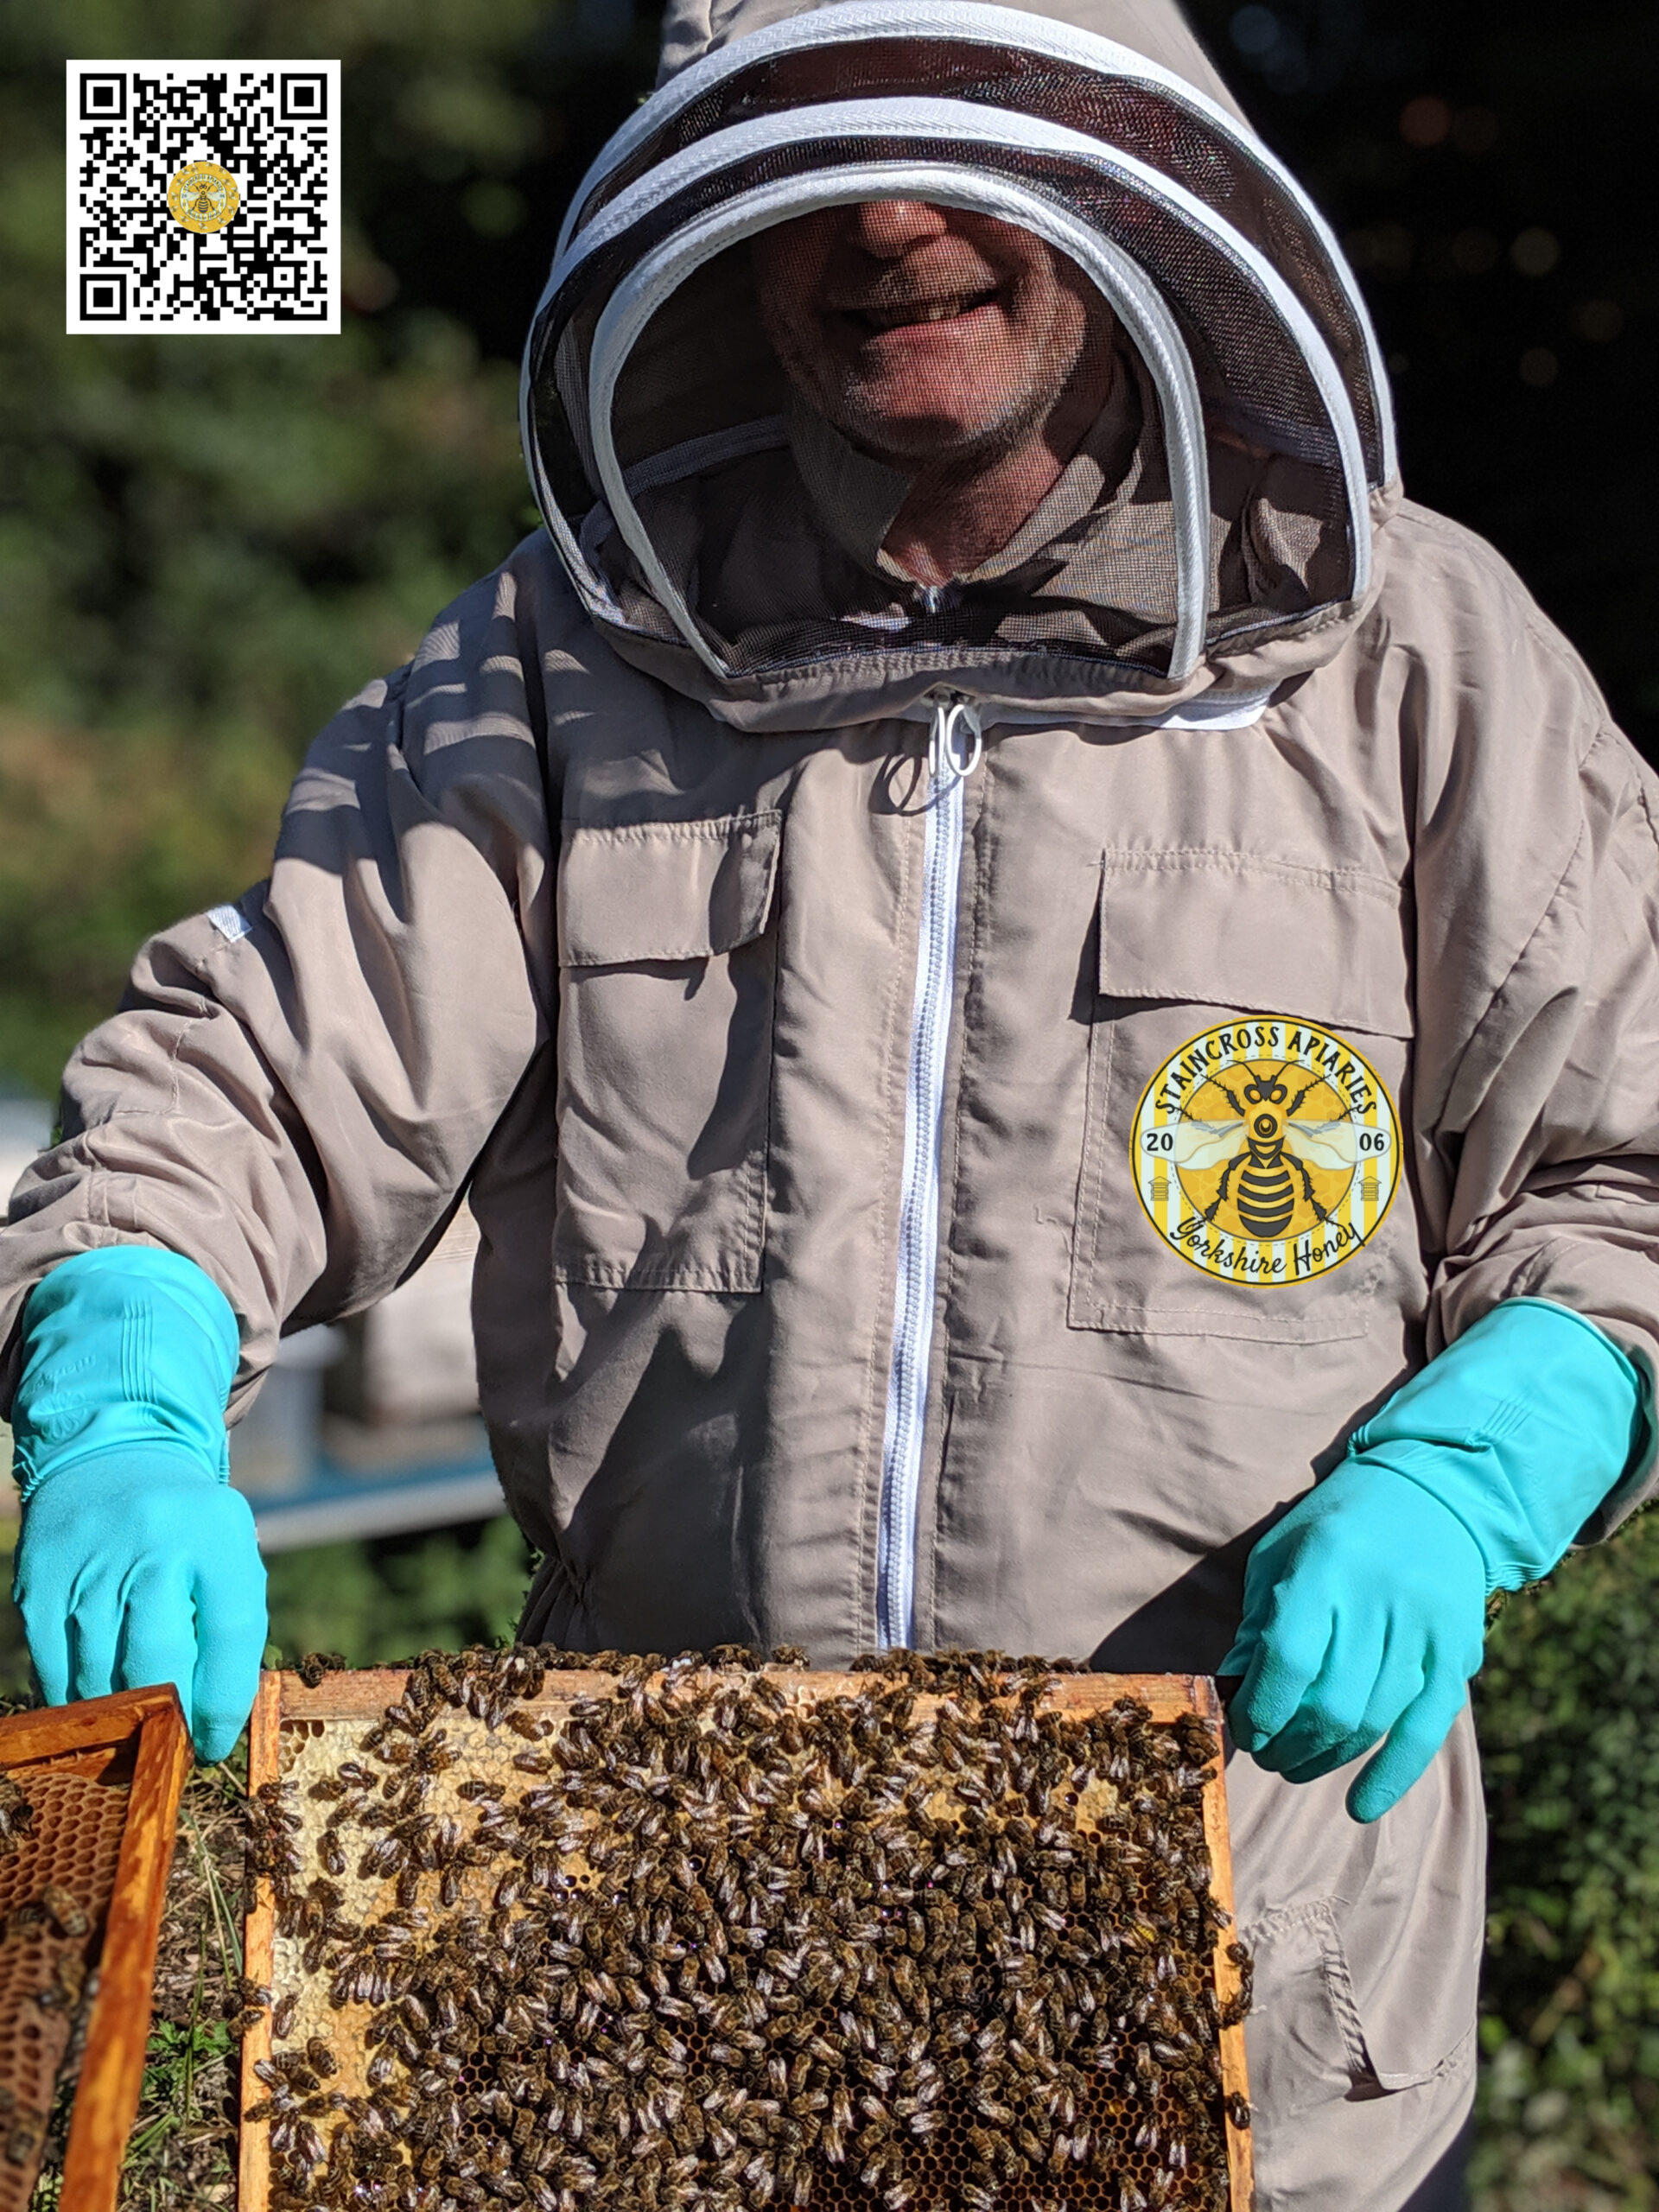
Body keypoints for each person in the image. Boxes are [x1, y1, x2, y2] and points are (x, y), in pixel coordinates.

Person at [4, 1, 1656, 2202]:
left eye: (966, 148)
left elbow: (1620, 1169)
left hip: (1270, 1999)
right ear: (714, 223)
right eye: (806, 164)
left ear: (1123, 176)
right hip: (667, 1975)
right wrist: (123, 1384)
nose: (891, 223)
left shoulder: (1413, 661)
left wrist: (1479, 1465)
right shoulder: (559, 670)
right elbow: (257, 1078)